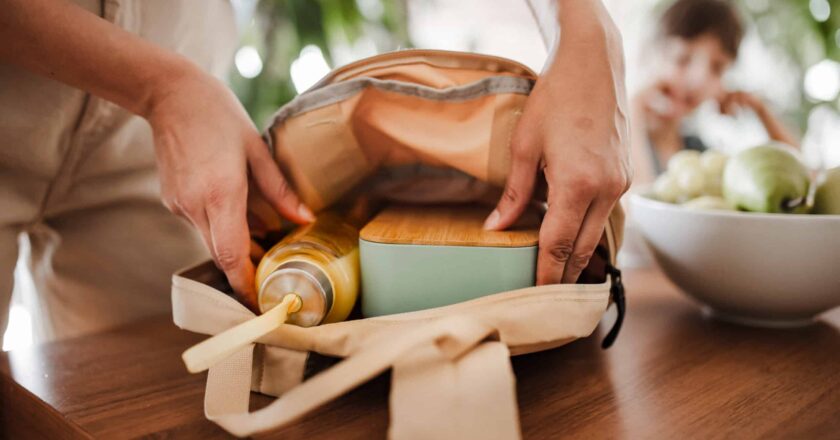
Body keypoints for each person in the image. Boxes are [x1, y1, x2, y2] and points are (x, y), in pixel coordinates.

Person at [0, 0, 629, 340]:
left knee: (133, 402)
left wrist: (588, 29)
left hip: (167, 101)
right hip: (152, 90)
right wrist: (158, 89)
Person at [629, 0, 797, 185]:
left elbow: (803, 182)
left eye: (717, 68)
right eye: (682, 58)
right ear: (647, 54)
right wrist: (633, 108)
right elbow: (634, 204)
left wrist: (760, 110)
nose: (699, 80)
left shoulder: (699, 155)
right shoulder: (614, 139)